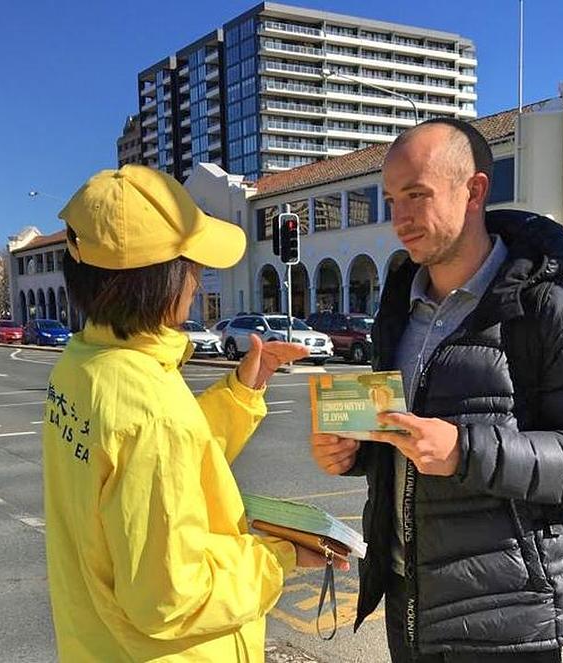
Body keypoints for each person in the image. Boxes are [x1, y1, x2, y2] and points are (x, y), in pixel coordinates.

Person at [310, 119, 563, 662]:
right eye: (392, 200)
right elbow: (407, 437)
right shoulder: (399, 308)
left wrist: (466, 449)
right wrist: (355, 451)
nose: (401, 221)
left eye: (416, 196)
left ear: (475, 191)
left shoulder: (555, 311)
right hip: (410, 604)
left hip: (506, 618)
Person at [42, 165, 344, 662]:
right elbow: (171, 599)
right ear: (161, 279)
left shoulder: (84, 366)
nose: (199, 281)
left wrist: (243, 390)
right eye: (192, 265)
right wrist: (278, 558)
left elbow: (172, 459)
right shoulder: (149, 405)